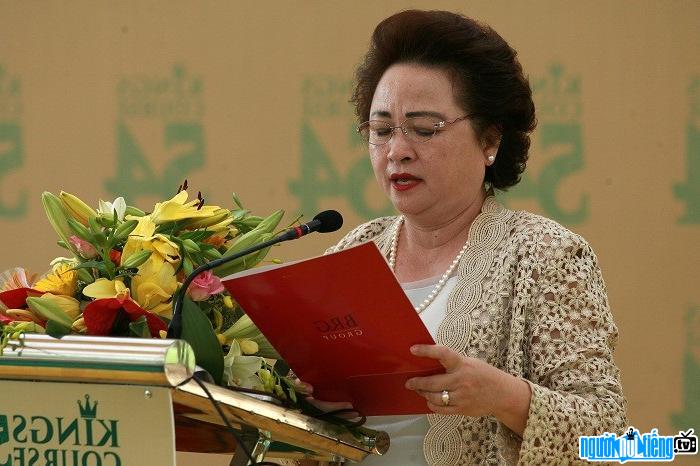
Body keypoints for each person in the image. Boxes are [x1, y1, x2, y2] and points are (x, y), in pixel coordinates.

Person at [318, 9, 627, 465]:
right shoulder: (352, 251)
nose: (397, 151)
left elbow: (608, 434)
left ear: (490, 141)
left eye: (425, 129)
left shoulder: (545, 255)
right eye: (381, 131)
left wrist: (505, 395)